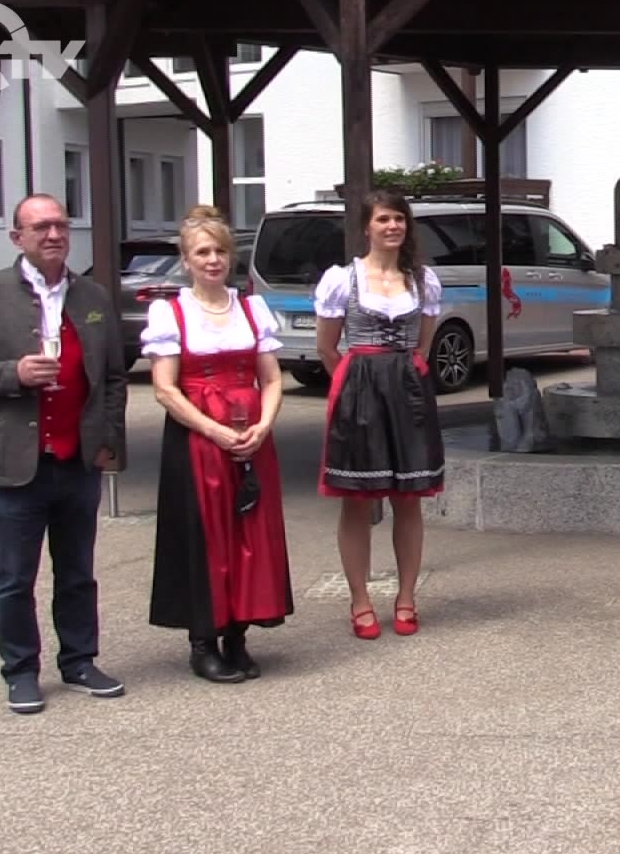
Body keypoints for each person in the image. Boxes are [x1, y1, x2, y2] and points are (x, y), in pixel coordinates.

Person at [0, 193, 130, 715]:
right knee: (14, 577)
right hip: (14, 460)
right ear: (17, 237)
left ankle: (80, 662)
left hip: (77, 460)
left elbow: (113, 377)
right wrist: (13, 374)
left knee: (78, 572)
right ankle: (21, 671)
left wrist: (108, 439)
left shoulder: (92, 295)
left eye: (60, 225)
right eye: (41, 227)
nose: (53, 235)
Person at [144, 205, 294, 682]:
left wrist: (263, 426)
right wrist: (213, 430)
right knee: (205, 535)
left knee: (249, 535)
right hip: (198, 440)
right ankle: (204, 642)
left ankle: (238, 636)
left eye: (220, 251)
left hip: (250, 436)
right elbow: (165, 389)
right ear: (186, 260)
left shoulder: (250, 308)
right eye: (203, 252)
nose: (213, 260)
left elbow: (272, 379)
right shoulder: (171, 313)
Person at [315, 190, 445, 639]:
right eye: (384, 219)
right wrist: (356, 386)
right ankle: (360, 600)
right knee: (357, 499)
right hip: (360, 388)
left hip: (407, 389)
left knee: (408, 499)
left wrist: (403, 377)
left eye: (399, 219)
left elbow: (423, 345)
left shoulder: (423, 280)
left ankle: (406, 597)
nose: (393, 226)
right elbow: (327, 348)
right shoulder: (342, 279)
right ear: (367, 227)